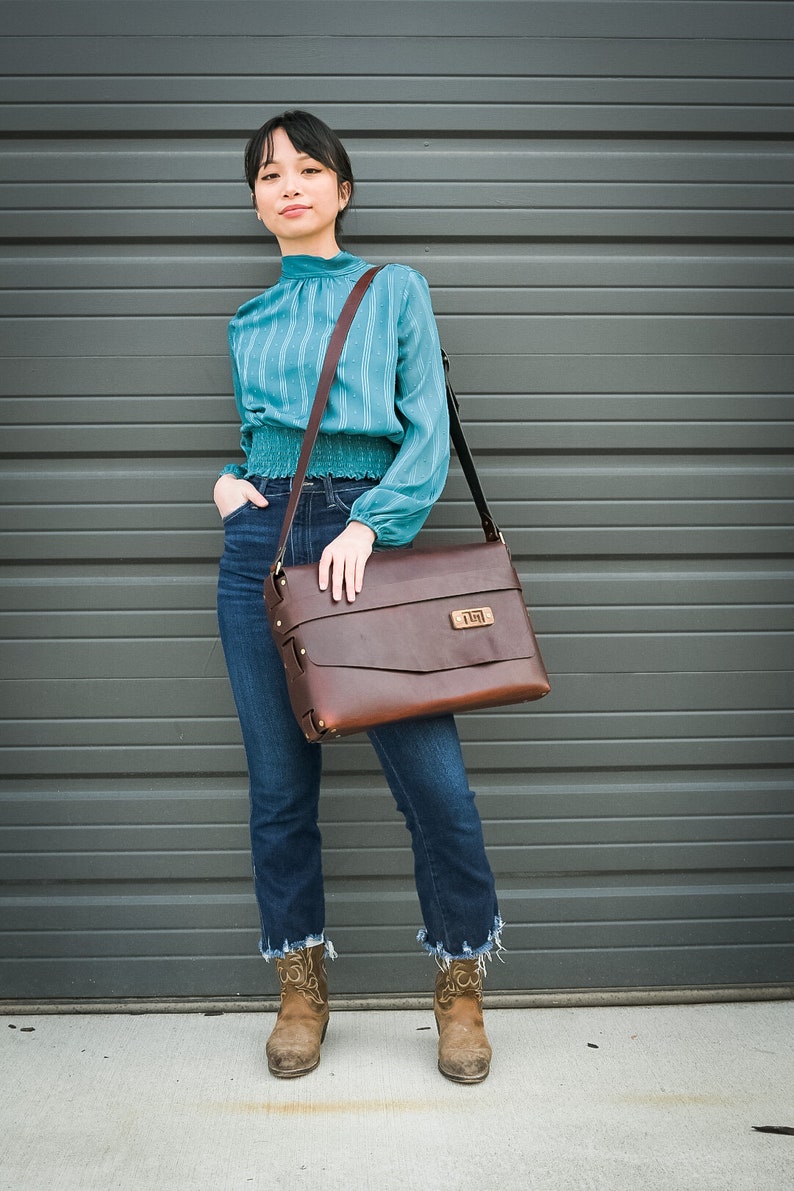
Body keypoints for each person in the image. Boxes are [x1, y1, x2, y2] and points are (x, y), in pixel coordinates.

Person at [214, 110, 502, 1084]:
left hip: (362, 543)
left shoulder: (393, 290)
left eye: (306, 167)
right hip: (261, 545)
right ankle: (299, 987)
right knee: (277, 791)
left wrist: (374, 524)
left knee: (436, 790)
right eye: (266, 174)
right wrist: (225, 480)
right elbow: (263, 434)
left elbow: (424, 429)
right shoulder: (247, 322)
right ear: (254, 202)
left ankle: (458, 987)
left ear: (341, 188)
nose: (286, 184)